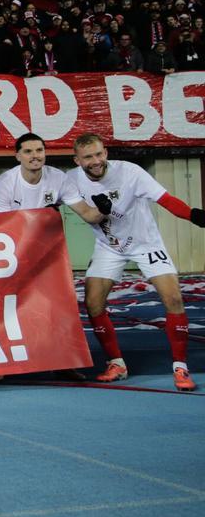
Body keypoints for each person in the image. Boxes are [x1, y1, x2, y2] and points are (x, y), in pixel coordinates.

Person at [61, 133, 201, 390]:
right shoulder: (70, 179)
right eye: (89, 157)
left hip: (146, 245)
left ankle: (181, 367)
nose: (96, 160)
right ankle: (116, 363)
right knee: (92, 303)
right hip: (109, 248)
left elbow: (166, 200)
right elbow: (58, 206)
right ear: (77, 160)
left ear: (105, 152)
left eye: (100, 154)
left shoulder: (131, 172)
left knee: (174, 299)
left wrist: (194, 215)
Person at [0, 133, 66, 212]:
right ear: (18, 157)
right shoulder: (3, 184)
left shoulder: (59, 177)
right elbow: (3, 221)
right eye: (28, 151)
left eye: (39, 150)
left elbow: (76, 204)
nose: (35, 155)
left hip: (48, 224)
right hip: (16, 224)